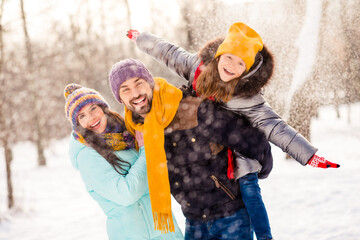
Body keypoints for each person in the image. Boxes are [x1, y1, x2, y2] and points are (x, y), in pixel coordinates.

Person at [126, 22, 340, 239]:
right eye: (228, 57)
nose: (231, 65)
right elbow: (169, 52)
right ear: (219, 55)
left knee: (249, 189)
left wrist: (308, 155)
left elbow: (275, 125)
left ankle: (265, 235)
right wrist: (141, 39)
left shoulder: (248, 97)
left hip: (237, 149)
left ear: (245, 70)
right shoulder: (196, 68)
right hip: (204, 144)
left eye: (240, 63)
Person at [108, 58, 274, 240]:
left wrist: (264, 169)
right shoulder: (137, 129)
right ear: (121, 98)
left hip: (230, 216)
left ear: (150, 82)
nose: (135, 93)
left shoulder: (191, 108)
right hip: (194, 221)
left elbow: (248, 137)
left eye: (138, 83)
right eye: (126, 89)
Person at [64, 83, 184, 240]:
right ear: (78, 125)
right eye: (82, 116)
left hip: (165, 230)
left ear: (102, 108)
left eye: (93, 108)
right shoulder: (88, 157)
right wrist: (145, 152)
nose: (91, 117)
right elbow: (126, 194)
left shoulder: (125, 135)